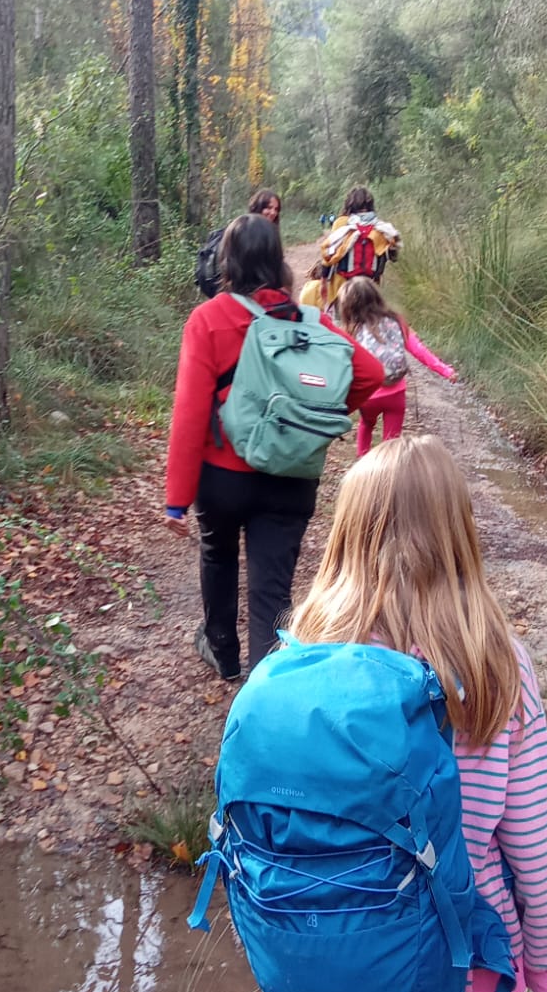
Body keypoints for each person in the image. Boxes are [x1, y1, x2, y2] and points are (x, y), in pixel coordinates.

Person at [288, 436, 547, 992]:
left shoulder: (308, 658)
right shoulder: (497, 669)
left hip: (345, 960)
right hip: (460, 969)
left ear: (349, 535)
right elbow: (530, 844)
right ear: (460, 535)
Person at [166, 213, 389, 678]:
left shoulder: (208, 319)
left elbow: (189, 413)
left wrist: (177, 500)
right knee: (273, 589)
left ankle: (222, 651)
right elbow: (369, 373)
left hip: (223, 475)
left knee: (218, 554)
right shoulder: (310, 323)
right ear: (278, 262)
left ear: (226, 262)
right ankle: (267, 687)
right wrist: (313, 412)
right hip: (291, 478)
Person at [335, 275, 458, 450]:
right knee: (391, 443)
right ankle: (389, 473)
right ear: (376, 296)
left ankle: (363, 465)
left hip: (369, 395)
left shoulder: (353, 330)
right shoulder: (396, 321)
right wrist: (446, 371)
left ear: (348, 307)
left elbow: (342, 363)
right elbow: (419, 351)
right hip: (396, 393)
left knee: (366, 425)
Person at [302, 185, 401, 312]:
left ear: (349, 204)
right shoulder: (379, 226)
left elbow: (330, 254)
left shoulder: (342, 223)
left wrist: (323, 281)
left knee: (341, 324)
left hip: (343, 287)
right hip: (369, 289)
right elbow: (389, 257)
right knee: (367, 322)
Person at [195, 188, 282, 299]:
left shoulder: (266, 234)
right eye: (268, 208)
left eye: (276, 209)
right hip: (241, 296)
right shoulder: (244, 233)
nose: (273, 212)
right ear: (257, 207)